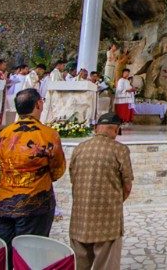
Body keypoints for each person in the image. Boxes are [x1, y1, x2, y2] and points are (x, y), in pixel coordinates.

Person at [0, 88, 66, 263]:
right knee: (31, 257)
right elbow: (58, 168)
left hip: (3, 201)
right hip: (35, 201)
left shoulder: (4, 133)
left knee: (6, 255)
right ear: (39, 104)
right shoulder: (48, 134)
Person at [69, 113, 133, 270]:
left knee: (80, 263)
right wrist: (115, 200)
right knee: (106, 263)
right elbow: (127, 184)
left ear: (97, 128)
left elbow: (73, 178)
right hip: (107, 221)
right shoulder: (119, 149)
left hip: (80, 218)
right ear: (115, 130)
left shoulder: (79, 148)